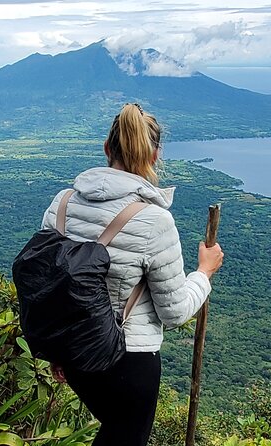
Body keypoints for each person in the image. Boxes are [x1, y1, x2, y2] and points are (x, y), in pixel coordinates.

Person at [40, 103, 224, 446]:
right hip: (128, 361)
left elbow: (50, 286)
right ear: (154, 157)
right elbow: (174, 313)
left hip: (75, 353)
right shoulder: (154, 221)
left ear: (107, 149)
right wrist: (204, 272)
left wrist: (60, 351)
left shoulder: (61, 204)